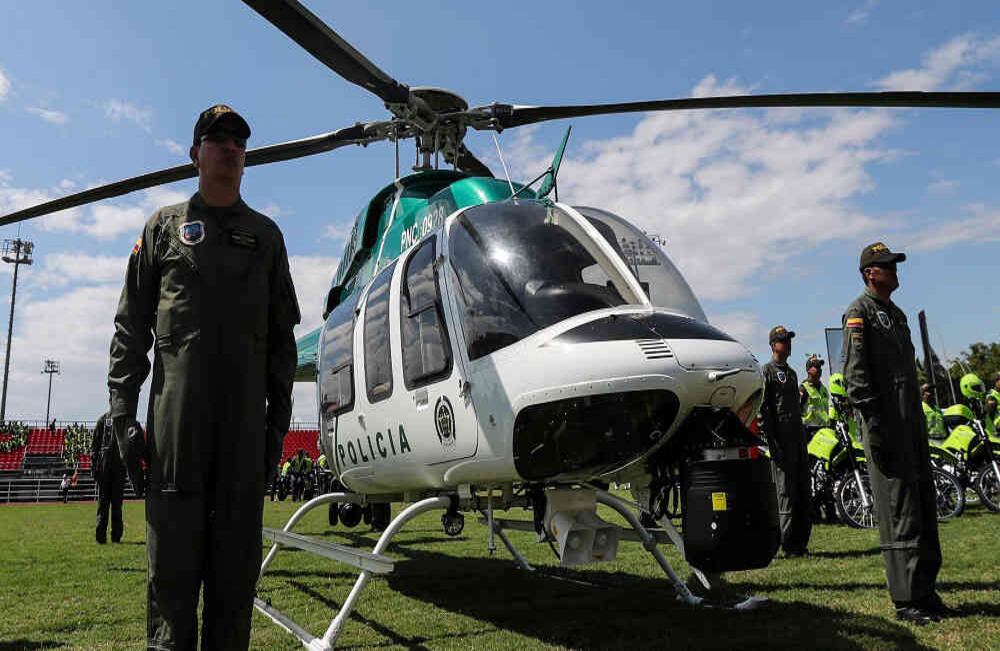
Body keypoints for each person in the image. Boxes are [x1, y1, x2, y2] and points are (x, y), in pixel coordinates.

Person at [107, 104, 300, 650]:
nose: (231, 148)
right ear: (195, 154)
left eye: (239, 142)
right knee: (170, 602)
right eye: (218, 140)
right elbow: (130, 332)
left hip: (241, 451)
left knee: (232, 603)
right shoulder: (162, 230)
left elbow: (282, 350)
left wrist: (275, 435)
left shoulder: (266, 238)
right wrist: (122, 419)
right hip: (175, 449)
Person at [841, 242, 955, 625]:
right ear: (870, 273)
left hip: (911, 427)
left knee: (923, 506)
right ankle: (907, 599)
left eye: (894, 265)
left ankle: (926, 590)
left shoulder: (897, 314)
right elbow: (856, 378)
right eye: (887, 265)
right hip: (887, 428)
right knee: (900, 510)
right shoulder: (859, 313)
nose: (894, 270)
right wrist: (875, 427)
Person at [759, 325, 812, 557]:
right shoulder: (767, 372)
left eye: (789, 340)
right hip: (782, 443)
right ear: (774, 345)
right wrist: (773, 444)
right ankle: (787, 544)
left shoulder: (791, 373)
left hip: (798, 441)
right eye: (783, 340)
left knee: (803, 492)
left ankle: (801, 543)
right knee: (786, 494)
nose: (788, 344)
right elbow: (763, 411)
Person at [91, 412, 126, 544]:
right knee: (103, 505)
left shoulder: (123, 420)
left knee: (117, 505)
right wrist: (94, 468)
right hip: (104, 471)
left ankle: (116, 536)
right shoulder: (102, 420)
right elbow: (94, 446)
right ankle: (100, 536)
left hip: (119, 471)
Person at [800, 355, 830, 434]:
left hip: (824, 430)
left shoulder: (824, 389)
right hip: (808, 431)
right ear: (809, 370)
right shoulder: (803, 388)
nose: (819, 369)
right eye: (816, 367)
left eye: (820, 367)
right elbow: (796, 411)